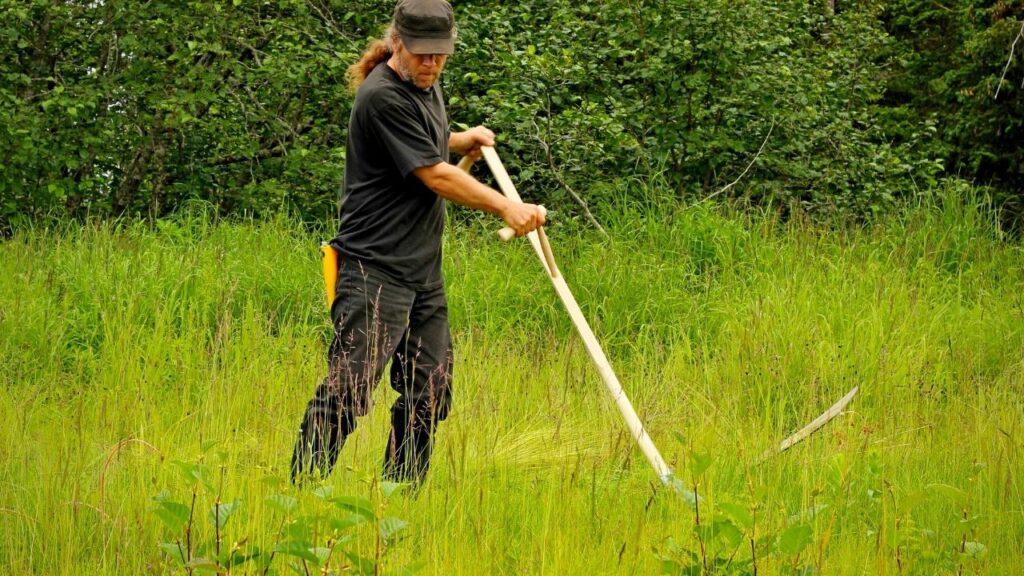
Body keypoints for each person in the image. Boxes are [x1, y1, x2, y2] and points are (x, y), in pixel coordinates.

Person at [290, 0, 545, 486]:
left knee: (431, 391)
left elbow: (427, 139)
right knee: (350, 390)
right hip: (373, 269)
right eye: (422, 54)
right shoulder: (381, 95)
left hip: (421, 272)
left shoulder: (424, 83)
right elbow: (434, 175)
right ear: (397, 44)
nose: (431, 64)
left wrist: (460, 138)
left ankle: (400, 497)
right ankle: (299, 496)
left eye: (440, 55)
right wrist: (506, 207)